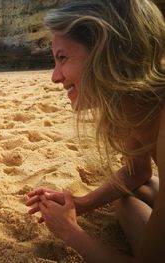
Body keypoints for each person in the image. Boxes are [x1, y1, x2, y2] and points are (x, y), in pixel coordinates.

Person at [25, 0, 165, 262]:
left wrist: (71, 233)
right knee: (125, 196)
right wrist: (81, 203)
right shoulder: (134, 106)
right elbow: (138, 172)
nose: (55, 77)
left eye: (63, 58)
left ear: (108, 53)